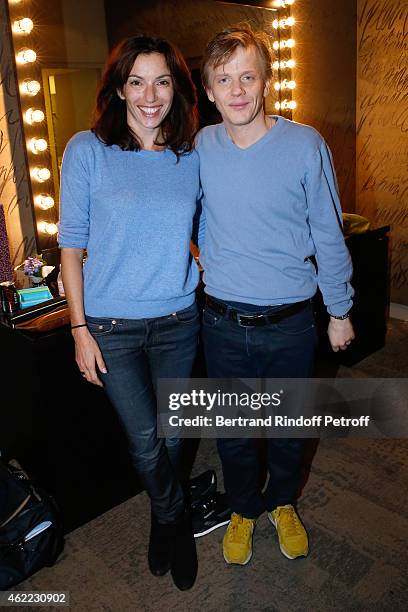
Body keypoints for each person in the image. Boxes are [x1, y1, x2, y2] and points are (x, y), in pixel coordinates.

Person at [195, 24, 355, 565]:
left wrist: (340, 310)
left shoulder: (305, 145)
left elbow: (329, 232)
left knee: (288, 428)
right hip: (221, 323)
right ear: (210, 91)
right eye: (224, 79)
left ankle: (283, 503)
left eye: (247, 75)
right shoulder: (201, 145)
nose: (236, 89)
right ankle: (243, 509)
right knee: (235, 431)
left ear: (265, 83)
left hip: (291, 321)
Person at [58, 35, 200, 591]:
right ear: (119, 88)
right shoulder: (87, 150)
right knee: (144, 440)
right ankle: (175, 518)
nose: (149, 95)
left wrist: (207, 257)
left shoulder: (190, 155)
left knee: (174, 437)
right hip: (111, 327)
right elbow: (70, 248)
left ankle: (163, 514)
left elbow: (204, 224)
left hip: (179, 321)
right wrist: (78, 328)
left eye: (161, 81)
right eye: (136, 81)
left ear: (176, 89)